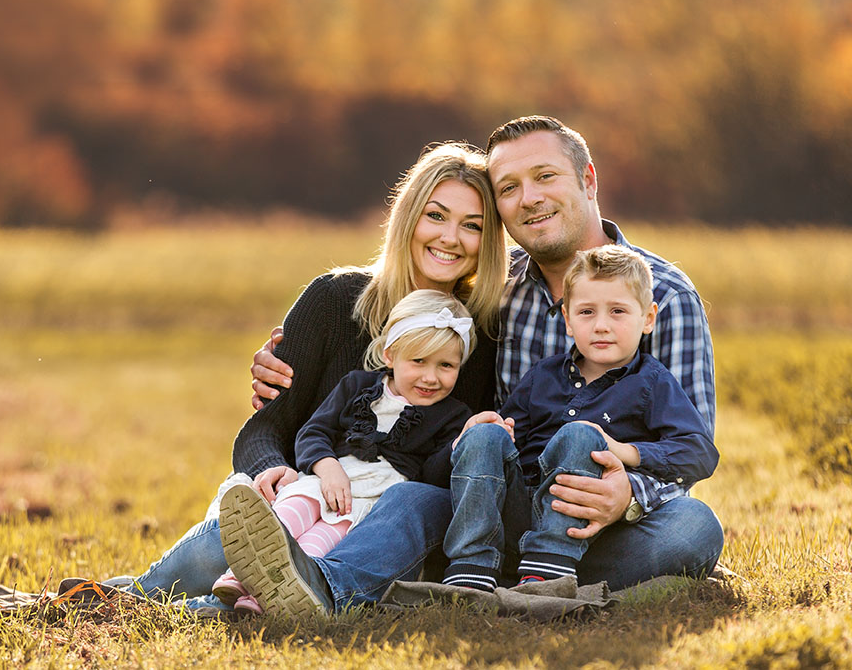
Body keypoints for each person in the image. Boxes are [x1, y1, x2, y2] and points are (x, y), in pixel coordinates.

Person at [236, 115, 723, 614]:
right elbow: (422, 355)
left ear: (589, 179)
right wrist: (289, 356)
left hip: (599, 521)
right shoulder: (494, 292)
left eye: (545, 176)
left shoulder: (664, 294)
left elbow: (691, 448)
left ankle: (501, 579)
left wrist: (626, 496)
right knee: (418, 498)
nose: (529, 197)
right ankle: (358, 581)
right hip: (498, 505)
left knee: (693, 527)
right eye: (509, 187)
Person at [111, 142, 507, 610]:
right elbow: (267, 426)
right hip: (309, 493)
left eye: (473, 226)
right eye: (436, 216)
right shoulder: (333, 301)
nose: (451, 238)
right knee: (243, 537)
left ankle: (291, 594)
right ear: (408, 218)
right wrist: (272, 471)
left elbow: (461, 465)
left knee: (415, 502)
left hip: (384, 527)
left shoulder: (484, 336)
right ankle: (135, 598)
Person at [441, 244, 719, 592]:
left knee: (585, 438)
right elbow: (508, 440)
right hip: (520, 513)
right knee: (484, 434)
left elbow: (699, 452)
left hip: (591, 528)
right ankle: (472, 567)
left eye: (618, 311)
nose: (601, 326)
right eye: (587, 312)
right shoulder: (543, 376)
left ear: (648, 318)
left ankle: (549, 569)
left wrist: (622, 450)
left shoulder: (652, 382)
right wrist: (493, 431)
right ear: (568, 321)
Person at [215, 290, 475, 615]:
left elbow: (432, 475)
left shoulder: (452, 415)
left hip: (369, 499)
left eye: (446, 365)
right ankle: (239, 574)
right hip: (326, 478)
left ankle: (267, 598)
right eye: (418, 361)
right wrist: (327, 468)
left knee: (326, 538)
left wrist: (460, 443)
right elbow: (313, 432)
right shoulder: (356, 386)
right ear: (390, 354)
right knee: (293, 508)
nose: (430, 377)